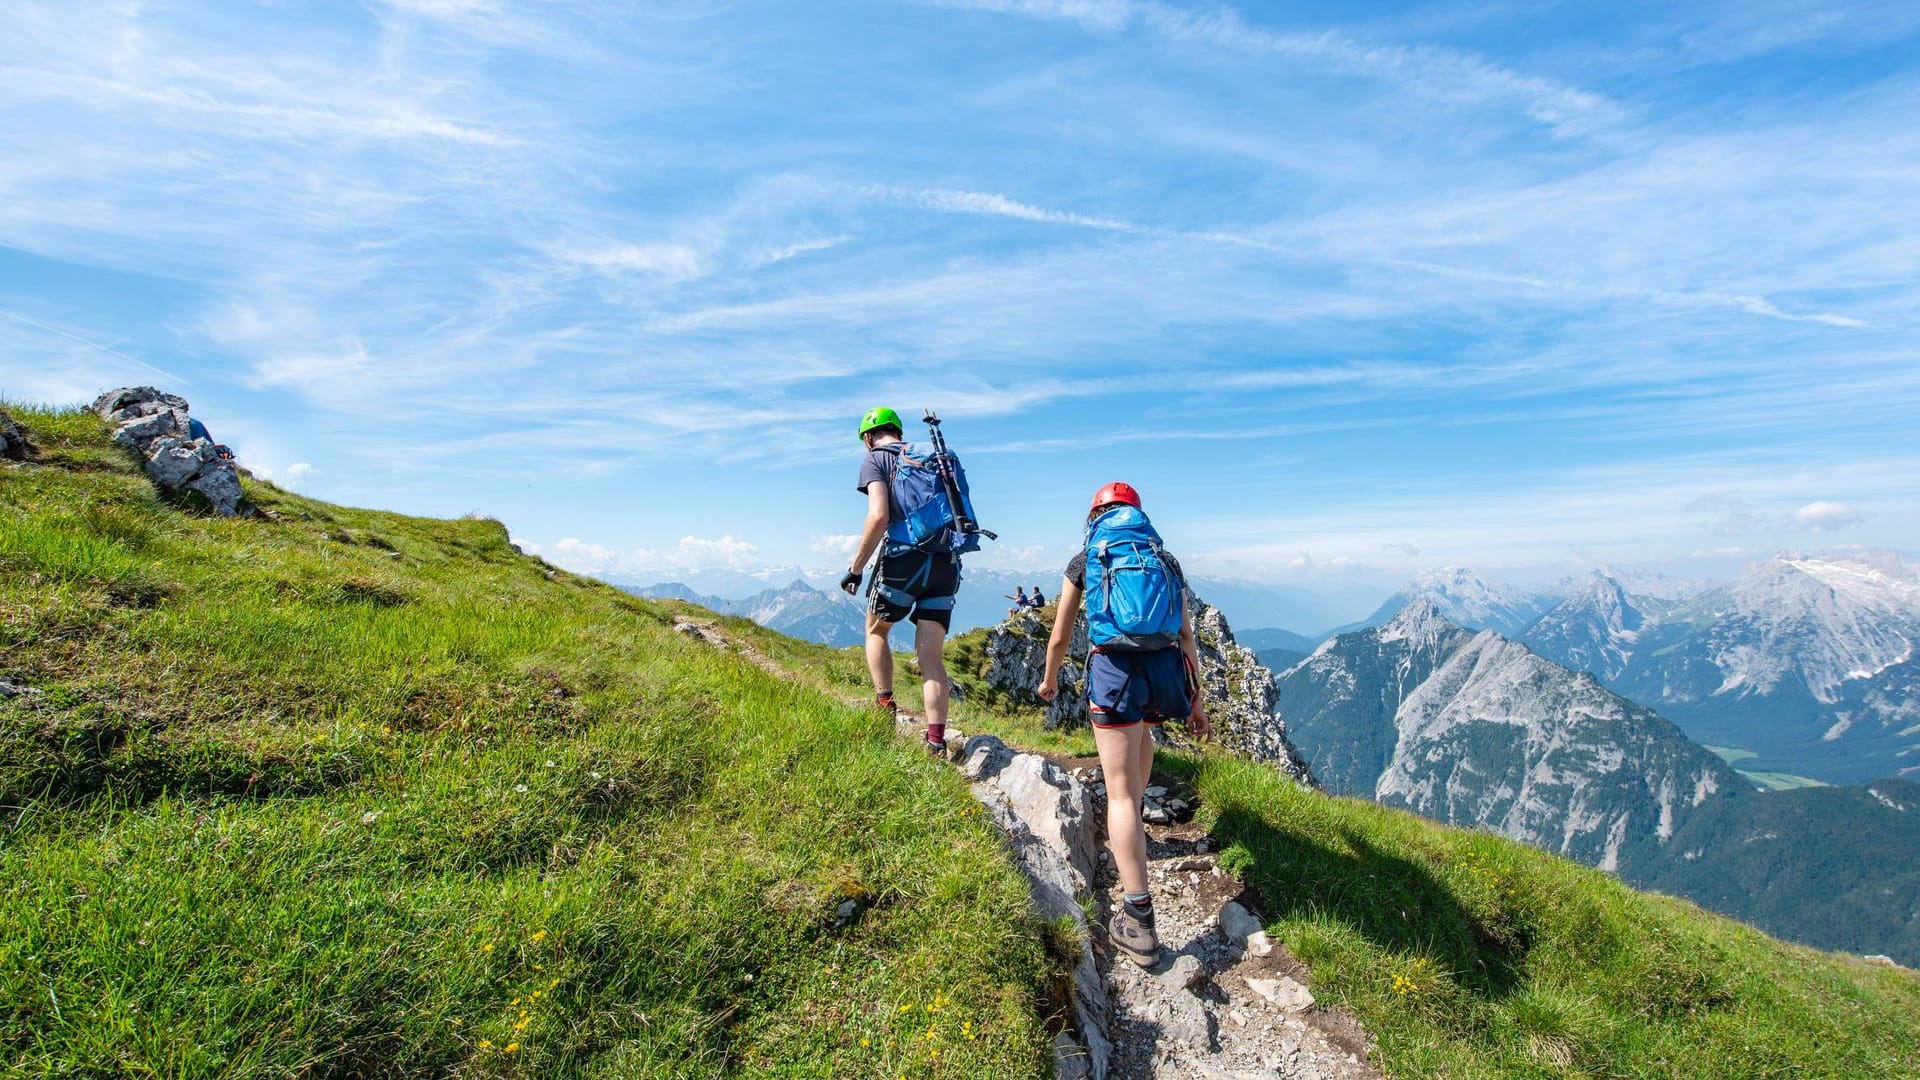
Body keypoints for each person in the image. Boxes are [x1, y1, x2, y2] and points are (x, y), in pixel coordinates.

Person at [1039, 481, 1209, 968]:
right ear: (1138, 513)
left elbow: (1061, 634)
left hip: (1114, 674)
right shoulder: (1164, 558)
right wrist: (1196, 705)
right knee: (1140, 755)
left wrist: (1050, 681)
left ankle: (1138, 917)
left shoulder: (1086, 558)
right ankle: (1131, 831)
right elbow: (1186, 638)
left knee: (1117, 794)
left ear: (1096, 514)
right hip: (1163, 675)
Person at [840, 407, 961, 754]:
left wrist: (856, 568)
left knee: (877, 629)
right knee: (931, 659)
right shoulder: (934, 458)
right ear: (898, 430)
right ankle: (936, 741)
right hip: (945, 561)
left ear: (868, 437)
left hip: (904, 560)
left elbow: (879, 516)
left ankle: (884, 705)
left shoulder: (876, 459)